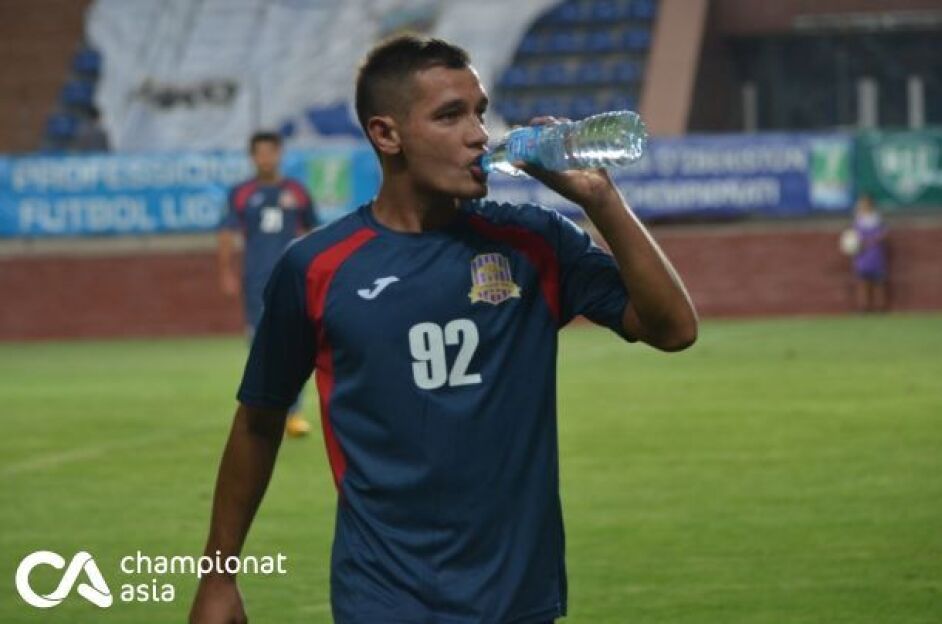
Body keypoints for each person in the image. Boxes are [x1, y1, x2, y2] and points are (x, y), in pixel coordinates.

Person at [191, 35, 697, 624]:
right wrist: (218, 575)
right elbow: (258, 423)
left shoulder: (535, 242)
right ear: (387, 134)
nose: (479, 135)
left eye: (480, 112)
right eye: (450, 115)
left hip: (518, 599)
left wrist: (601, 200)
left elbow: (673, 329)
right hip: (383, 599)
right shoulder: (317, 268)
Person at [217, 131, 318, 437]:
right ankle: (263, 410)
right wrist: (226, 272)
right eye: (259, 153)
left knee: (296, 341)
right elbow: (226, 234)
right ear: (252, 157)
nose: (265, 159)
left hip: (292, 278)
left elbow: (312, 233)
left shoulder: (297, 192)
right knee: (260, 345)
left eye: (270, 152)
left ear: (279, 154)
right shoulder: (240, 193)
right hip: (256, 281)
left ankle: (293, 413)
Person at [851, 195, 889, 312]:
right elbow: (854, 237)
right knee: (863, 282)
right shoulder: (858, 220)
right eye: (862, 204)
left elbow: (884, 233)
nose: (863, 206)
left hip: (876, 255)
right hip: (862, 256)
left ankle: (880, 307)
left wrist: (873, 240)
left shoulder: (877, 219)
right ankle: (863, 307)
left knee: (879, 282)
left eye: (865, 204)